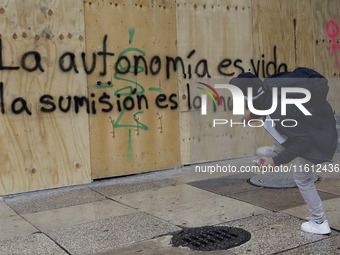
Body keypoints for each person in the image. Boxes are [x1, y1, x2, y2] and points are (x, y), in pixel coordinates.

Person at [229, 67, 338, 235]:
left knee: (302, 178)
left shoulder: (278, 111)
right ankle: (277, 150)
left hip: (317, 139)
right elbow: (261, 103)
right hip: (313, 127)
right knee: (274, 124)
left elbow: (303, 141)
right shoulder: (267, 88)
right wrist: (250, 117)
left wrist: (275, 161)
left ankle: (320, 222)